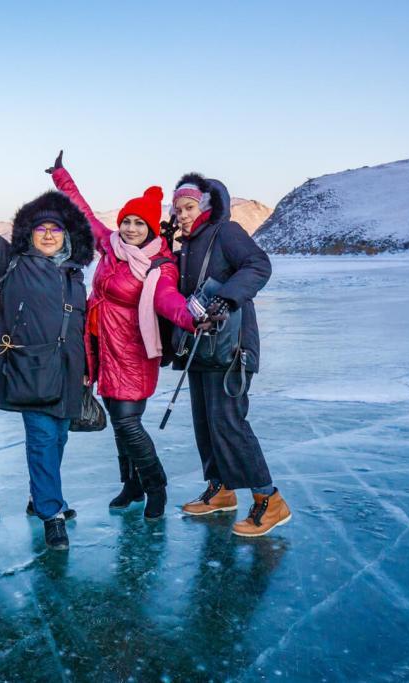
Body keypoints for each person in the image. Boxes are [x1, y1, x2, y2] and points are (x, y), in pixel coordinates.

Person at [47, 151, 196, 518]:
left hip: (133, 353)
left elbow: (169, 301)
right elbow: (81, 213)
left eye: (138, 224)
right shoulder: (111, 247)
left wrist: (194, 318)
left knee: (129, 423)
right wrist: (62, 178)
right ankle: (130, 486)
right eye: (126, 221)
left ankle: (155, 486)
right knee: (119, 424)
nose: (130, 228)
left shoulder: (159, 265)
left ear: (150, 228)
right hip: (103, 352)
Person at [0, 157, 94, 550]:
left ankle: (41, 496)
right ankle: (51, 514)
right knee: (41, 438)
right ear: (30, 235)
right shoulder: (14, 264)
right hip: (31, 367)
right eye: (42, 230)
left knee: (57, 439)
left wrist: (89, 369)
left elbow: (80, 327)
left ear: (67, 236)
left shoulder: (74, 276)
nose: (49, 235)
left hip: (69, 371)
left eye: (56, 230)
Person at [170, 173, 292, 537]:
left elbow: (258, 265)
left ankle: (269, 499)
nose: (183, 215)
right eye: (178, 210)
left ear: (206, 205)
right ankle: (221, 489)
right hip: (201, 346)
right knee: (205, 422)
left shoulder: (226, 232)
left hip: (232, 347)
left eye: (189, 207)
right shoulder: (187, 244)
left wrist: (228, 296)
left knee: (229, 422)